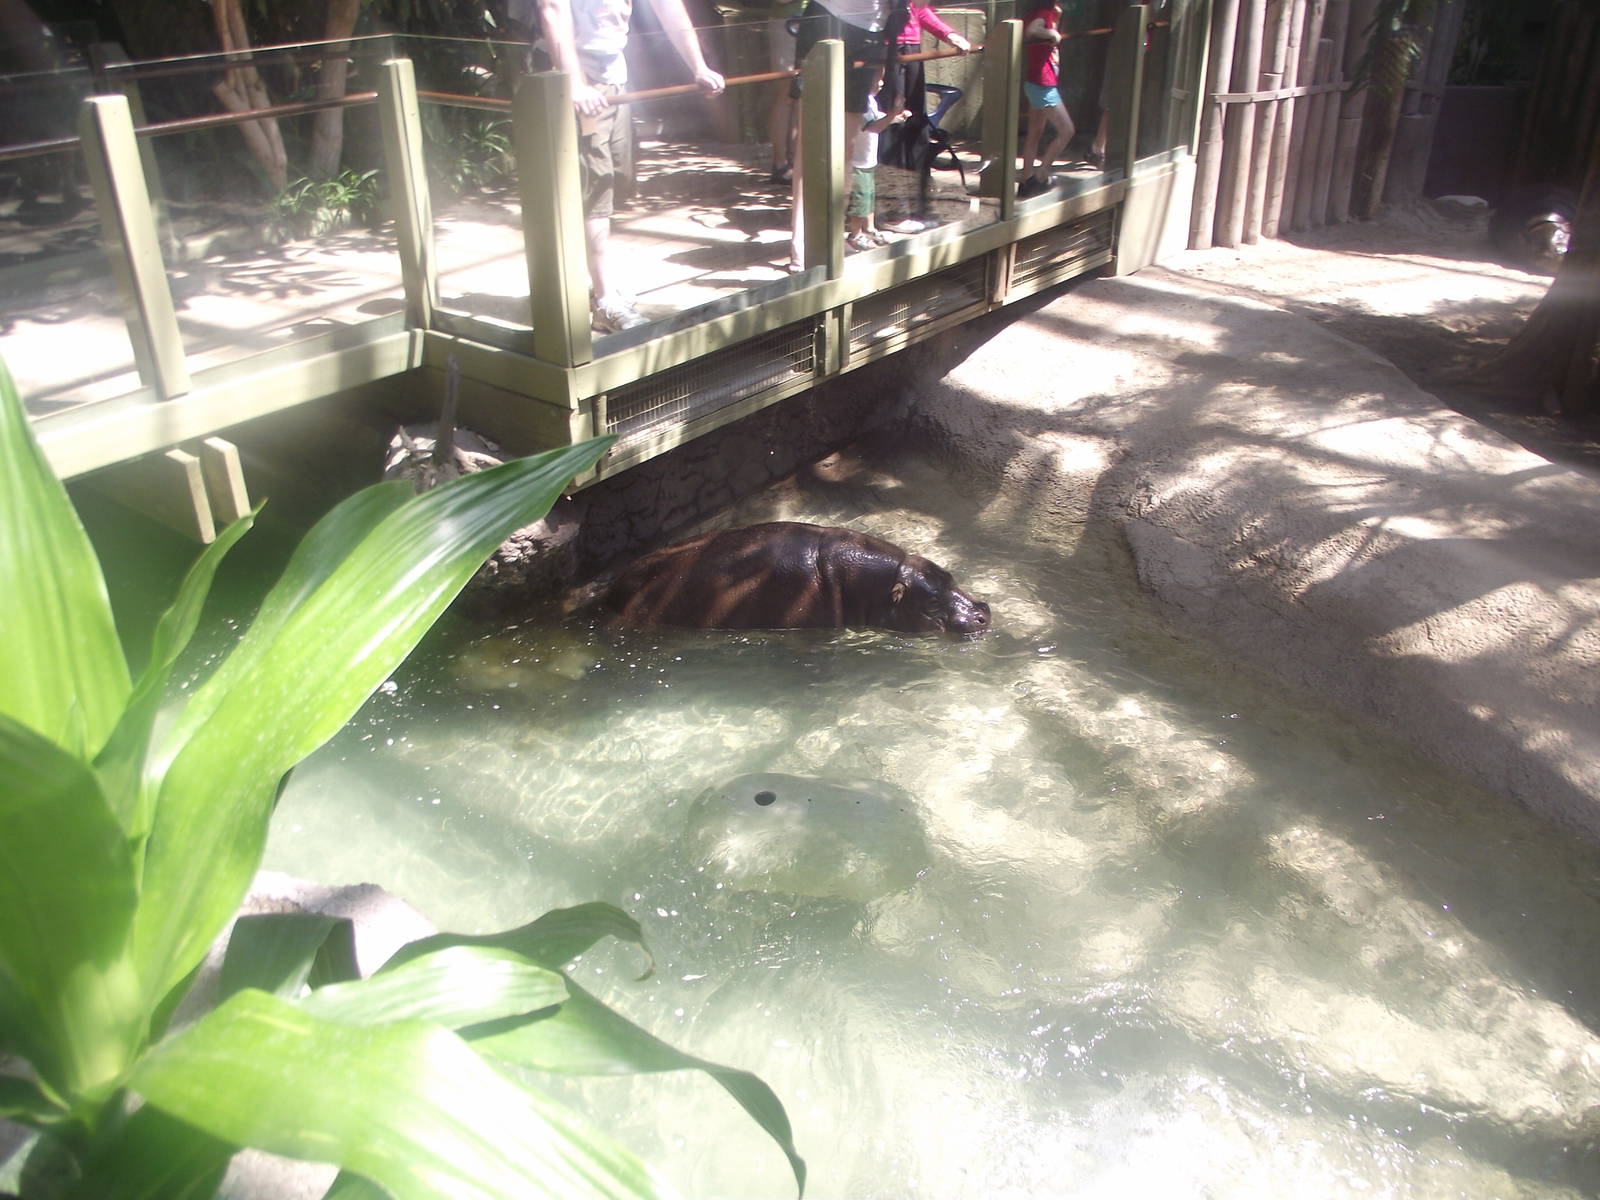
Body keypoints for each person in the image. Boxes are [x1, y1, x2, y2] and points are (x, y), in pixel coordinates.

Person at [536, 0, 726, 332]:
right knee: (595, 189)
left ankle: (592, 281)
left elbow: (669, 9)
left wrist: (699, 67)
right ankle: (604, 300)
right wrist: (574, 83)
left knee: (614, 182)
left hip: (611, 81)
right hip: (568, 81)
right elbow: (551, 11)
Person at [785, 0, 907, 271]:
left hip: (871, 31)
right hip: (826, 20)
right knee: (811, 142)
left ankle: (828, 235)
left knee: (847, 149)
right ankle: (800, 240)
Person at [847, 55, 911, 250]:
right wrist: (892, 114)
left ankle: (870, 227)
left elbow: (879, 120)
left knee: (869, 197)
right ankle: (855, 234)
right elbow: (872, 127)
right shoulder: (859, 103)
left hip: (868, 161)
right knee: (860, 199)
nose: (882, 83)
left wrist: (895, 117)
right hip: (857, 163)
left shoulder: (870, 101)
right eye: (877, 79)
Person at [1017, 0, 1074, 200]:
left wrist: (1055, 22)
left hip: (1037, 83)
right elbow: (1032, 31)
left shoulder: (1046, 14)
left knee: (1035, 133)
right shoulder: (1044, 13)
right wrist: (1051, 33)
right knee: (1067, 131)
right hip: (1043, 86)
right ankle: (1041, 176)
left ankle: (1026, 181)